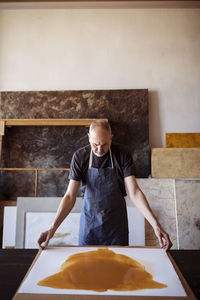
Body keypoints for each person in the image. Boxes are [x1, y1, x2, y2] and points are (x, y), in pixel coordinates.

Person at [38, 120, 172, 250]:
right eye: (95, 144)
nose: (99, 149)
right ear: (89, 137)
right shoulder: (80, 157)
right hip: (89, 229)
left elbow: (134, 192)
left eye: (104, 144)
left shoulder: (123, 154)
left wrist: (155, 225)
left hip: (116, 230)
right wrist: (53, 228)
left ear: (111, 138)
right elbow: (69, 196)